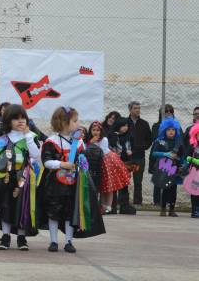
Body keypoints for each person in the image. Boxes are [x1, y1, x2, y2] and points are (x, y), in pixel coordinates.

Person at [39, 107, 105, 253]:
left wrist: (82, 162)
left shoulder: (79, 142)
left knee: (70, 213)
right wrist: (62, 164)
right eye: (75, 121)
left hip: (73, 184)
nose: (78, 123)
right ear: (63, 123)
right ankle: (54, 241)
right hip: (55, 185)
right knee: (54, 212)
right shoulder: (51, 141)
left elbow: (83, 160)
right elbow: (46, 162)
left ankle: (69, 241)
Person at [0, 104, 40, 251]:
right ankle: (5, 236)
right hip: (5, 176)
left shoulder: (30, 137)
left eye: (23, 118)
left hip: (23, 177)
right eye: (16, 118)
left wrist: (28, 136)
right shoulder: (3, 138)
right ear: (8, 121)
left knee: (22, 207)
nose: (20, 121)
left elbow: (36, 155)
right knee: (5, 205)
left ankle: (21, 237)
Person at [86, 121, 130, 215]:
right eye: (93, 130)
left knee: (109, 185)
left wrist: (93, 143)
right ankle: (102, 206)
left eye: (98, 130)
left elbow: (101, 151)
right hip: (96, 164)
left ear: (101, 131)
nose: (96, 132)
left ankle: (108, 206)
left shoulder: (104, 139)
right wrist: (91, 142)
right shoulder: (89, 140)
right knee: (102, 186)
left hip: (107, 162)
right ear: (90, 131)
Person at [150, 118, 183, 217]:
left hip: (175, 168)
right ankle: (163, 208)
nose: (171, 131)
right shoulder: (160, 141)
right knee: (165, 188)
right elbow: (153, 154)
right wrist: (165, 154)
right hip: (164, 167)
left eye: (173, 129)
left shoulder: (178, 142)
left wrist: (182, 164)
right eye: (168, 129)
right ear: (164, 130)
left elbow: (183, 155)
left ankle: (172, 209)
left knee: (173, 189)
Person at [108, 118, 137, 215]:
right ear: (118, 126)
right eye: (123, 126)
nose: (125, 128)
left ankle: (124, 206)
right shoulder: (113, 136)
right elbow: (110, 149)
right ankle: (112, 206)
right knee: (114, 186)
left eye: (127, 126)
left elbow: (132, 148)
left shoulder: (128, 137)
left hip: (125, 163)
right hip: (114, 164)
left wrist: (131, 152)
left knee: (124, 185)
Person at [127, 101, 153, 205]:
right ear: (130, 110)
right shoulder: (125, 122)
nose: (138, 110)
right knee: (124, 180)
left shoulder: (144, 123)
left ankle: (137, 203)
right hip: (127, 157)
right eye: (135, 108)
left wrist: (143, 147)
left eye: (139, 108)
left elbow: (149, 139)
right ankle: (123, 202)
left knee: (138, 181)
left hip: (139, 157)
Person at [186, 123, 199, 218]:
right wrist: (191, 160)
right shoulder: (192, 146)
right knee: (194, 192)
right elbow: (186, 157)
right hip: (194, 173)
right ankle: (194, 210)